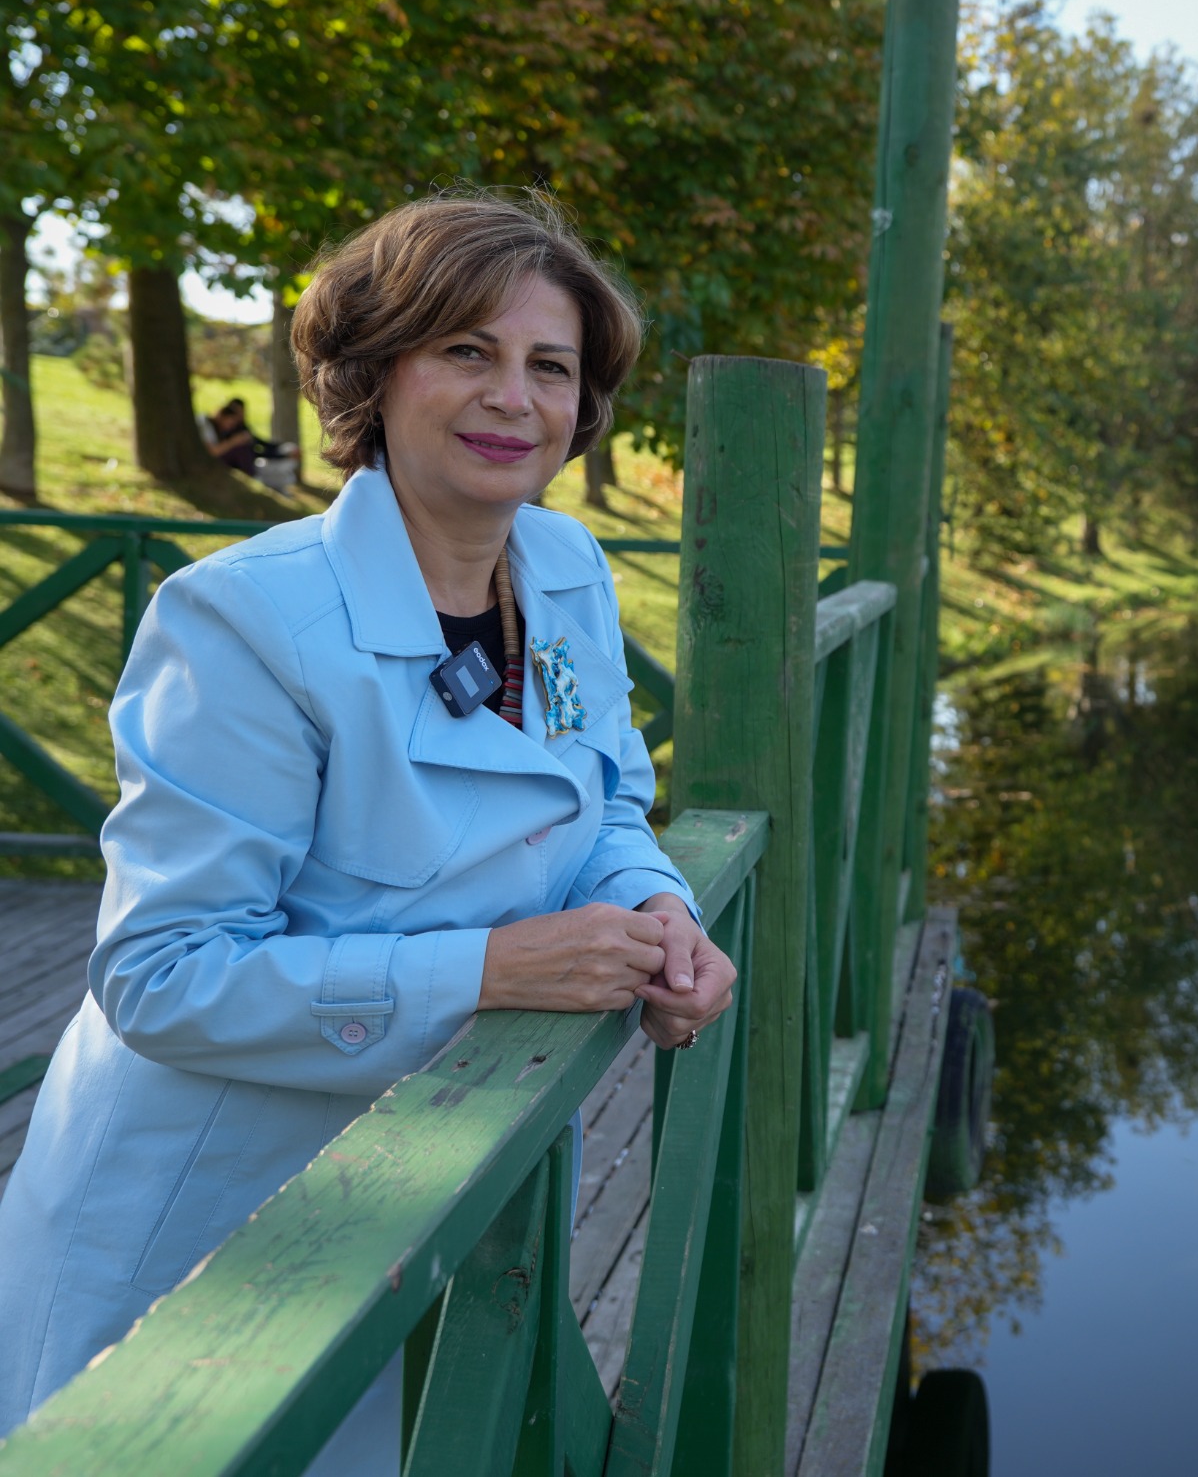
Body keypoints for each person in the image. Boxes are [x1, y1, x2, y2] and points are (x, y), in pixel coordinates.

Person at [0, 193, 735, 1464]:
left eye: (548, 366)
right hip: (207, 1232)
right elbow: (160, 973)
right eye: (465, 350)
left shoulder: (563, 570)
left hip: (434, 1187)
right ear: (373, 375)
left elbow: (609, 794)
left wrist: (661, 906)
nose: (514, 396)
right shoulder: (243, 620)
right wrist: (493, 970)